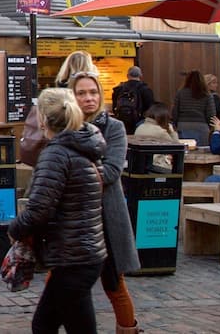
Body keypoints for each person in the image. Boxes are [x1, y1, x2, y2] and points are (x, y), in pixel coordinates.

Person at [9, 87, 107, 333]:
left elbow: (39, 209)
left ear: (42, 118)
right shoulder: (84, 146)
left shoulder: (56, 154)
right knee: (52, 324)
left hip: (73, 255)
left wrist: (14, 228)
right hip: (84, 252)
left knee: (48, 325)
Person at [69, 71, 143, 333]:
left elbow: (111, 171)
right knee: (61, 282)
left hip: (105, 217)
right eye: (81, 93)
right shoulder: (66, 129)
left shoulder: (114, 127)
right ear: (72, 97)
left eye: (93, 92)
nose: (88, 98)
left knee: (113, 283)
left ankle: (128, 328)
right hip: (73, 219)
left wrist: (71, 173)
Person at [173, 70, 217, 146]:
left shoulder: (180, 93)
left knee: (185, 151)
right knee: (202, 151)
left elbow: (175, 111)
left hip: (183, 125)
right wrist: (211, 128)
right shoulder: (207, 94)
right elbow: (211, 114)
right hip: (201, 126)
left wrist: (176, 124)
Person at [134, 102, 180, 172]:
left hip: (140, 166)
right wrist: (171, 130)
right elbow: (177, 147)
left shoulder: (140, 127)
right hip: (156, 166)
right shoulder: (160, 132)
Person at [112, 66, 156, 134]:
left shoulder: (119, 89)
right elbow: (150, 107)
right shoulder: (145, 89)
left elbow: (114, 106)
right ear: (141, 75)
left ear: (127, 75)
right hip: (139, 122)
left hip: (122, 121)